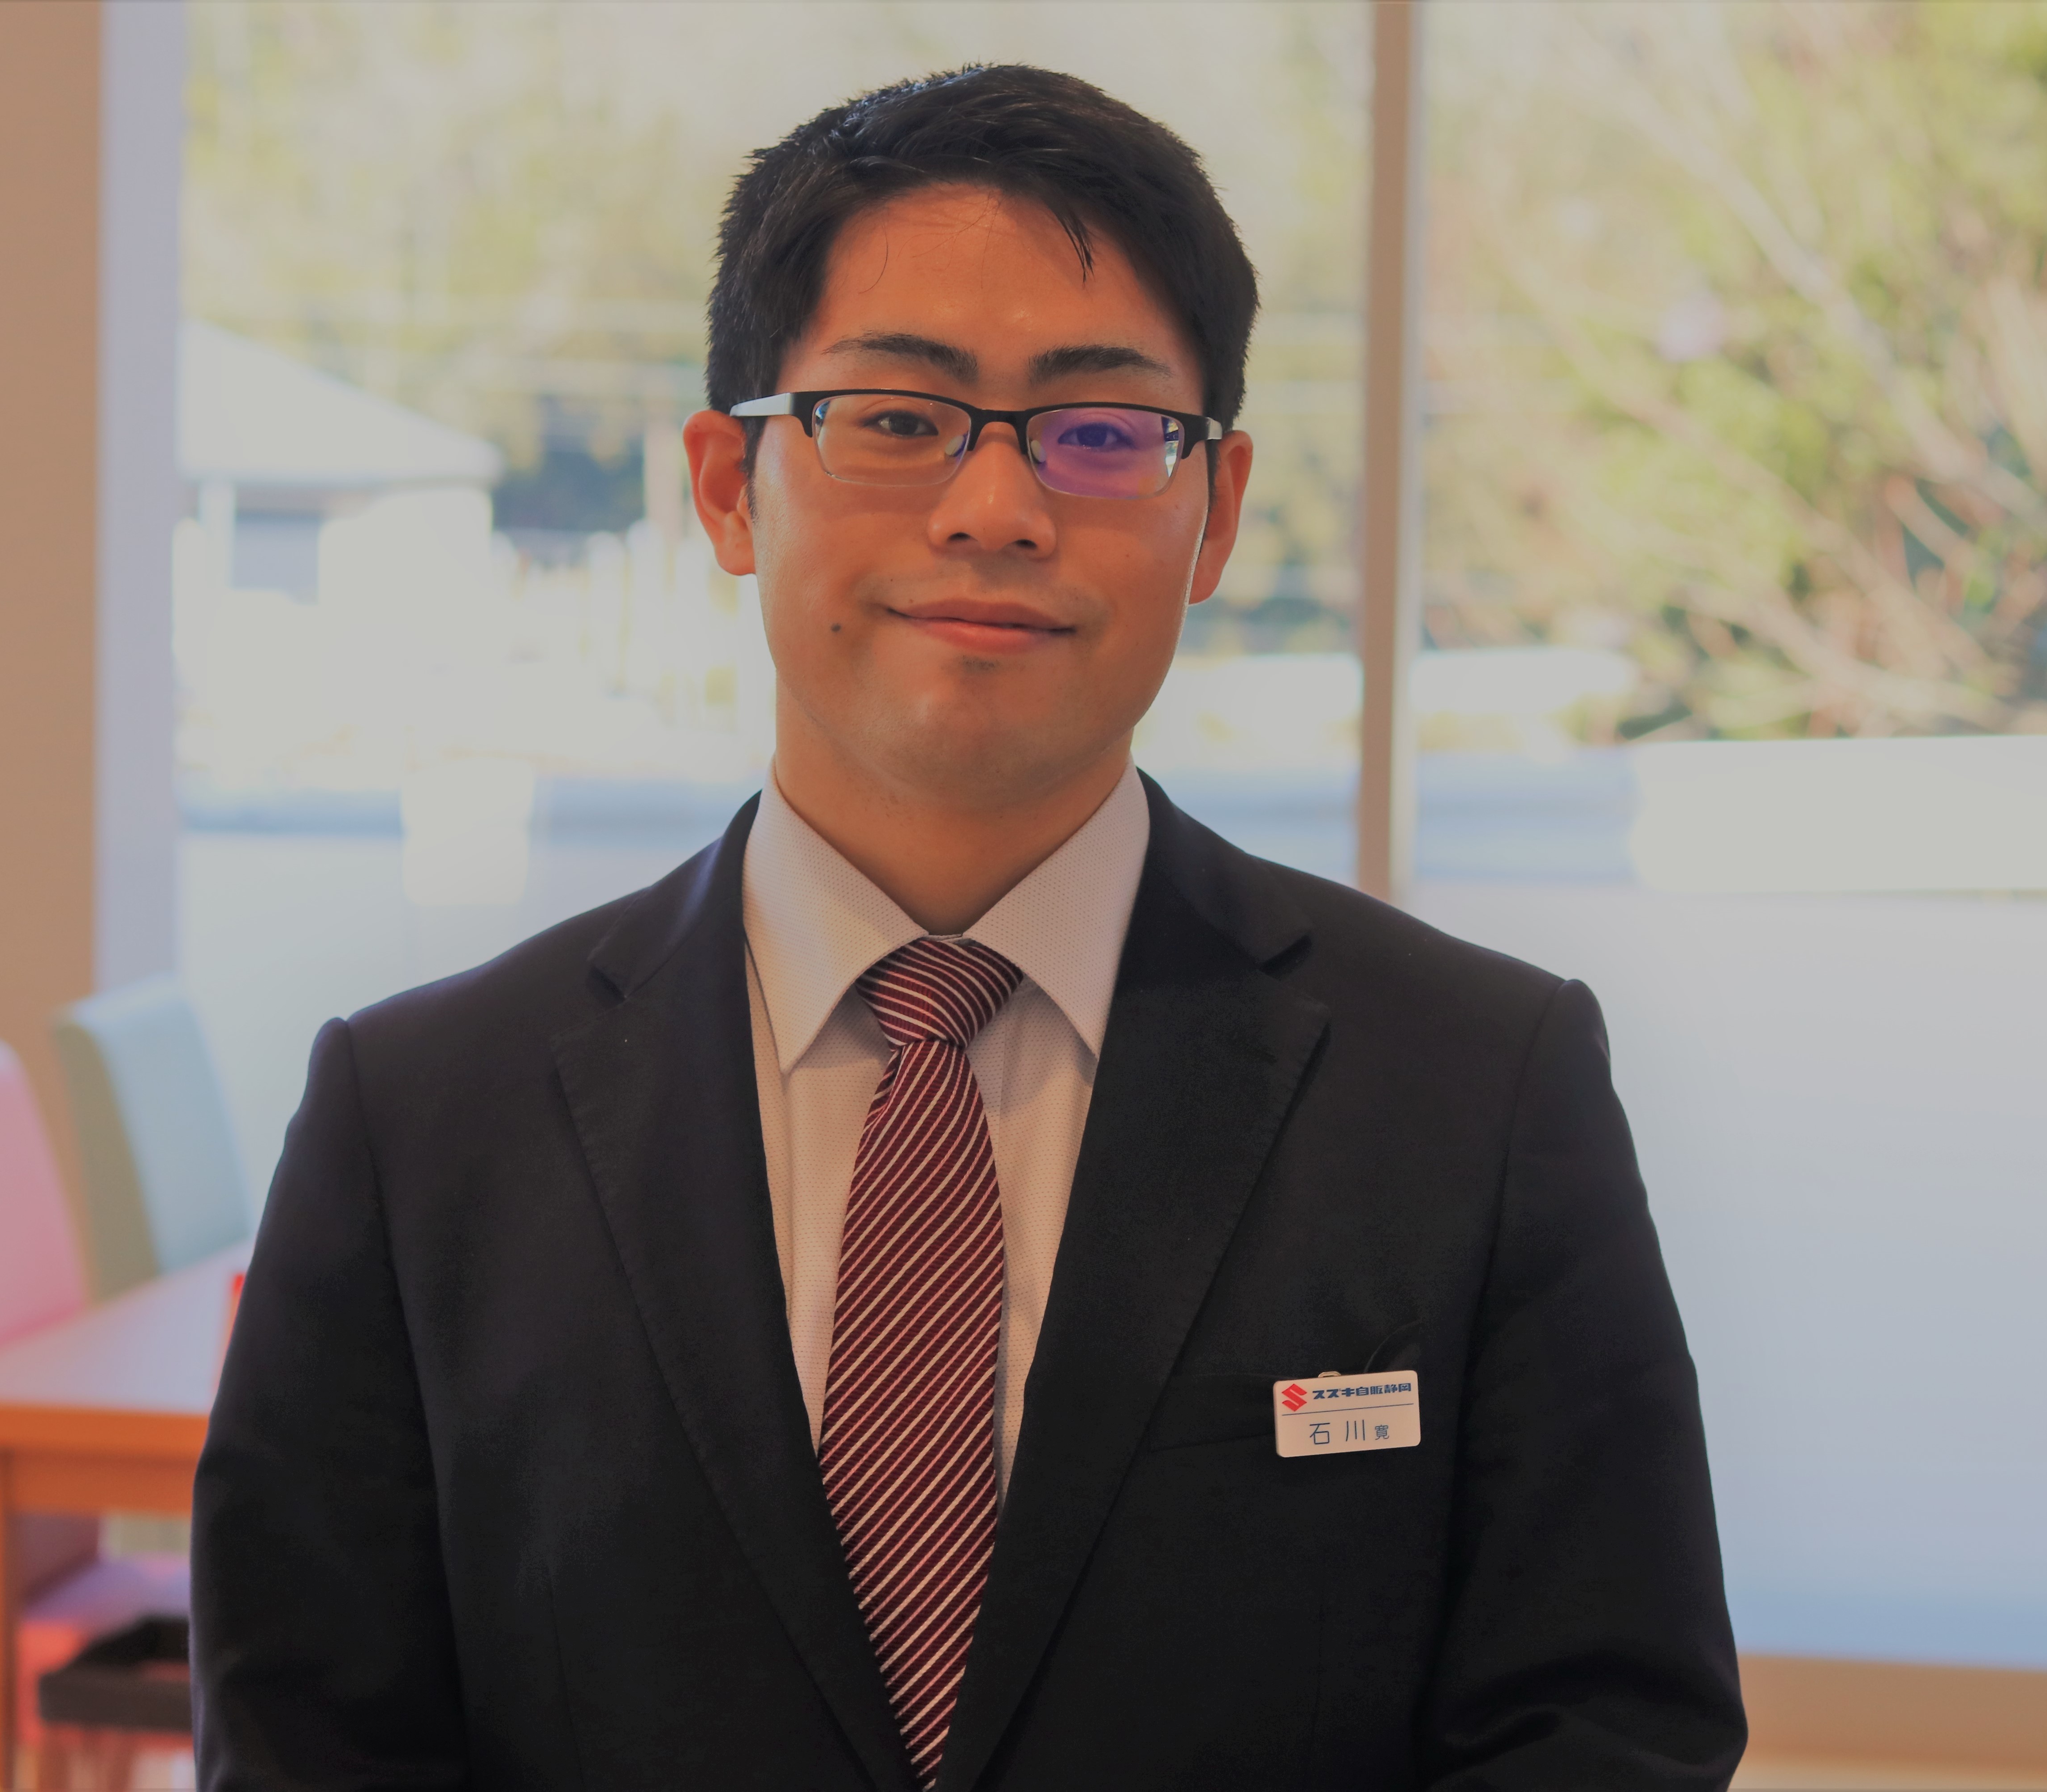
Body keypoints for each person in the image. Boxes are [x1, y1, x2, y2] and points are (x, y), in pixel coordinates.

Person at [190, 64, 1744, 1792]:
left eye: (1102, 432)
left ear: (1216, 510)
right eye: (895, 416)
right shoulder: (420, 1123)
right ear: (727, 485)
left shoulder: (1478, 1091)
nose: (995, 508)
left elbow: (1607, 1727)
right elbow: (309, 1743)